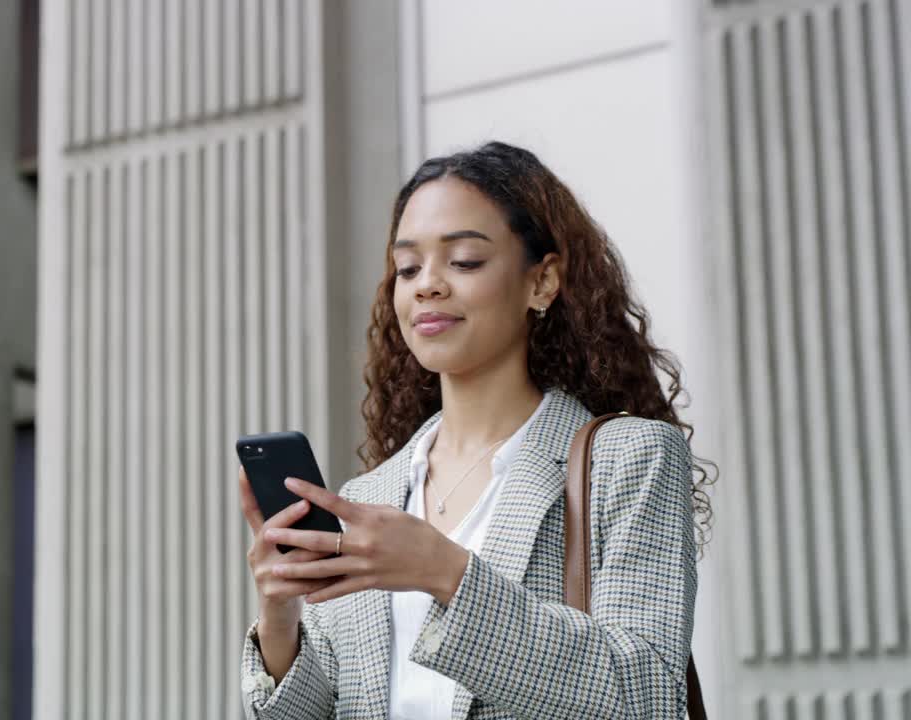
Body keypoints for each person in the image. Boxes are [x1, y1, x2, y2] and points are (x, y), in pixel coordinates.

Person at [236, 141, 714, 719]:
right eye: (407, 267)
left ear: (542, 282)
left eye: (463, 261)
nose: (426, 285)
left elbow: (646, 694)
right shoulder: (369, 499)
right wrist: (279, 616)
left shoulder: (629, 459)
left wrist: (447, 573)